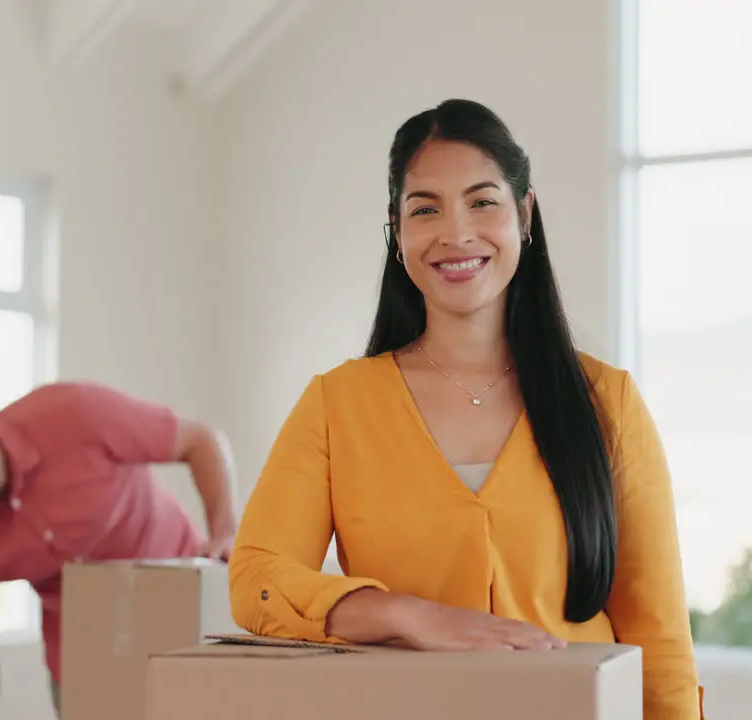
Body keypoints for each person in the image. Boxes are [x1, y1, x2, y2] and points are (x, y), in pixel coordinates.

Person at [228, 99, 702, 719]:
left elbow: (659, 645)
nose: (456, 234)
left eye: (482, 201)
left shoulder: (607, 402)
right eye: (425, 209)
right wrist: (407, 615)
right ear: (398, 234)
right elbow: (256, 578)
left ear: (525, 215)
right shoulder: (336, 404)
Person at [0, 381, 238, 719]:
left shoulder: (72, 414)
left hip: (185, 621)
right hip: (85, 659)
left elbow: (199, 440)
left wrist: (224, 532)